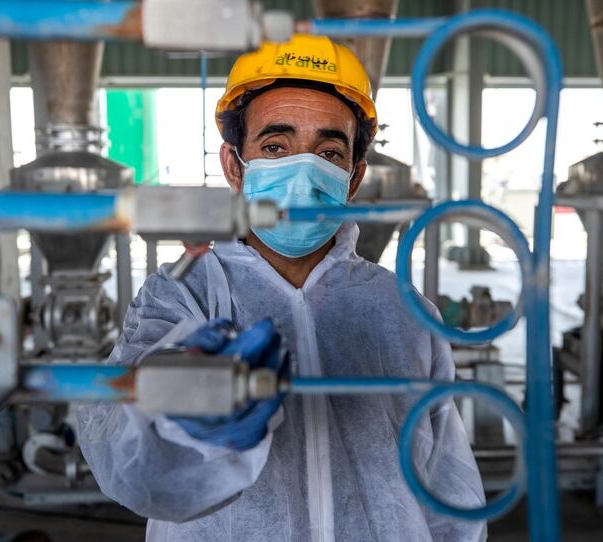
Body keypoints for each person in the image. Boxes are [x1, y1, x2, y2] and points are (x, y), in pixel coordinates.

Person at [77, 34, 486, 542]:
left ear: (353, 178)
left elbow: (449, 493)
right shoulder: (182, 295)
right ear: (234, 166)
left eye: (328, 152)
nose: (303, 169)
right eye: (275, 146)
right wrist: (180, 417)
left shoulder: (404, 310)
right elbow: (122, 456)